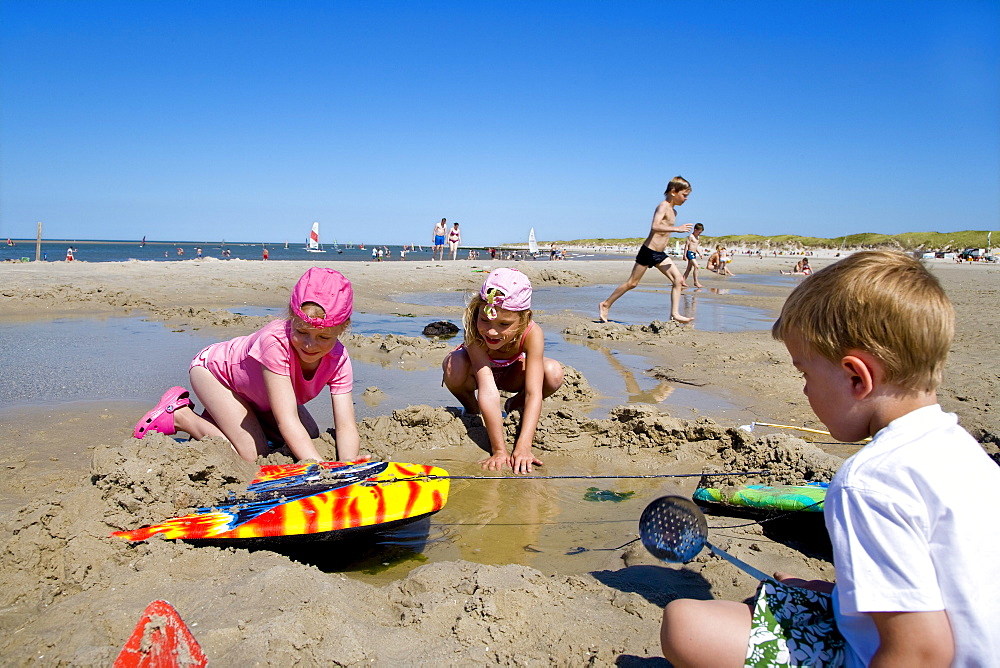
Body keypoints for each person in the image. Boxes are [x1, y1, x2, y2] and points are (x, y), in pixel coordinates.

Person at [660, 251, 1000, 667]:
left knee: (686, 625)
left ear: (857, 377)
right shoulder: (963, 451)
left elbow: (922, 652)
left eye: (806, 374)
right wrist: (841, 597)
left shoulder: (869, 482)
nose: (805, 391)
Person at [132, 268, 361, 463]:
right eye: (302, 332)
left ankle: (221, 419)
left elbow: (346, 426)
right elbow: (287, 419)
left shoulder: (339, 359)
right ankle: (181, 416)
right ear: (291, 317)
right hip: (216, 374)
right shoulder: (275, 342)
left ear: (343, 328)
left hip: (257, 395)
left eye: (323, 337)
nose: (310, 345)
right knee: (252, 454)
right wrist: (318, 466)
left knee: (310, 434)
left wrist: (349, 465)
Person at [441, 268, 564, 474]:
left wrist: (523, 446)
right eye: (485, 320)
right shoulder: (473, 329)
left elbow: (534, 393)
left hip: (510, 373)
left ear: (525, 319)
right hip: (476, 374)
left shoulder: (532, 333)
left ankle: (513, 405)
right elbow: (487, 389)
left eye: (504, 324)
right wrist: (499, 450)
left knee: (553, 372)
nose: (491, 331)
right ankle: (472, 410)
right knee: (455, 365)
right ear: (478, 310)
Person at [599, 176, 694, 323]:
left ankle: (674, 314)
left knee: (678, 280)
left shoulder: (674, 212)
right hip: (648, 251)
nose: (686, 199)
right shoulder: (663, 206)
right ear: (673, 192)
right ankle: (605, 304)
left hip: (660, 254)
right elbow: (655, 226)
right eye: (684, 195)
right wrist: (677, 229)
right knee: (632, 283)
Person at [681, 222, 705, 288]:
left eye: (700, 232)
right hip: (689, 252)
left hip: (694, 253)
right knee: (696, 266)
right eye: (699, 232)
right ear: (695, 230)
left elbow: (696, 246)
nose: (699, 233)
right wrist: (684, 255)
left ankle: (683, 281)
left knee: (689, 268)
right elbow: (686, 246)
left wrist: (700, 253)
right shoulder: (691, 236)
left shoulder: (697, 237)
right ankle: (696, 282)